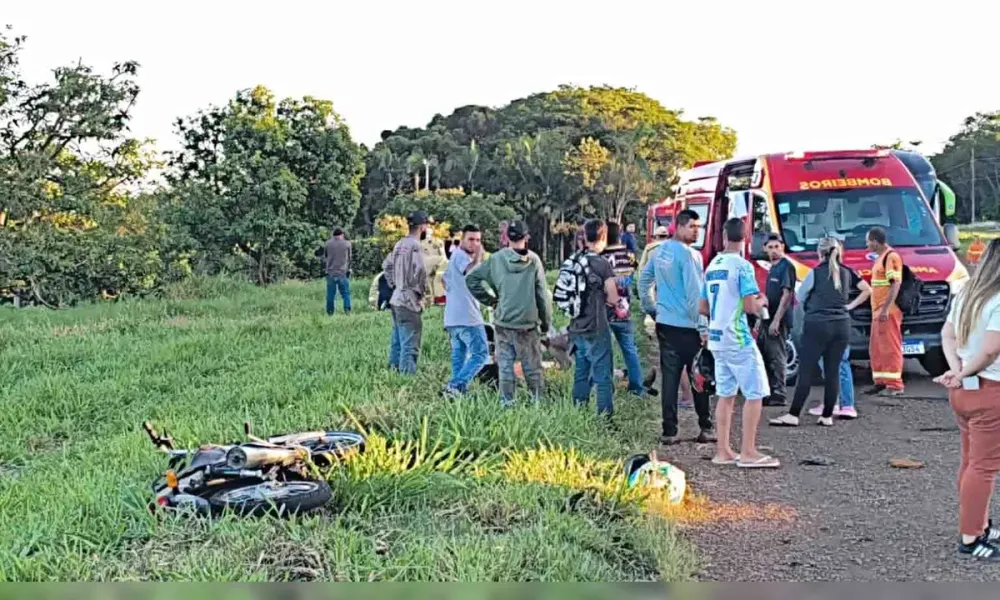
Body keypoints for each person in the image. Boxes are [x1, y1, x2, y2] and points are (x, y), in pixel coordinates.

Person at [935, 238, 1000, 560]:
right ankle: (972, 536)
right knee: (984, 467)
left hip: (964, 391)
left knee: (970, 461)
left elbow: (947, 335)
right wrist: (963, 371)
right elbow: (990, 350)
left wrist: (956, 370)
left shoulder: (966, 294)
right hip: (991, 389)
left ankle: (978, 523)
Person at [701, 218, 778, 468]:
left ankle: (723, 450)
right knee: (755, 392)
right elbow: (749, 305)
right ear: (746, 239)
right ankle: (748, 452)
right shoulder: (743, 267)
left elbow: (702, 306)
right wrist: (761, 302)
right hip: (738, 337)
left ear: (724, 237)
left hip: (717, 337)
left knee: (725, 394)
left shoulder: (712, 266)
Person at [771, 237, 871, 427]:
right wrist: (849, 306)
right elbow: (866, 290)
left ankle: (793, 414)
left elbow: (800, 295)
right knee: (833, 371)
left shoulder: (815, 273)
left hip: (817, 324)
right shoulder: (846, 272)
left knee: (806, 371)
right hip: (842, 324)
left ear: (820, 252)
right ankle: (827, 416)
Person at [639, 209, 714, 446]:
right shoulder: (690, 255)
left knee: (670, 379)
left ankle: (669, 431)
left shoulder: (660, 252)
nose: (696, 231)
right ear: (679, 227)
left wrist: (652, 308)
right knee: (698, 376)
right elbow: (694, 294)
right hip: (688, 326)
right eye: (692, 226)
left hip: (665, 324)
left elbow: (643, 281)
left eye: (698, 227)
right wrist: (703, 326)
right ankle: (706, 427)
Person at [466, 220, 551, 406]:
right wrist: (546, 323)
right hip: (527, 325)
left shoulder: (496, 259)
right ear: (526, 237)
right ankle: (538, 404)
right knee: (532, 368)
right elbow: (542, 296)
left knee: (505, 367)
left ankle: (507, 403)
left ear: (507, 238)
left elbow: (471, 279)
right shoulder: (534, 261)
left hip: (503, 323)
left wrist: (491, 301)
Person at [569, 219, 619, 417]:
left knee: (581, 372)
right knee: (602, 375)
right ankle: (605, 418)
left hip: (576, 325)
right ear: (603, 237)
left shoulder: (574, 261)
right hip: (596, 325)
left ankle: (578, 414)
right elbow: (613, 297)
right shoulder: (602, 264)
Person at [442, 224, 488, 396]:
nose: (474, 244)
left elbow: (444, 280)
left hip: (452, 318)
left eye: (478, 240)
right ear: (462, 240)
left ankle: (456, 392)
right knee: (481, 354)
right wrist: (479, 257)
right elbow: (470, 273)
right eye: (471, 239)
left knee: (459, 356)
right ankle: (455, 385)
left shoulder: (454, 257)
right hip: (468, 317)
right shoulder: (462, 256)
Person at [602, 221, 646, 397]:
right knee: (629, 349)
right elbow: (631, 275)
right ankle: (637, 387)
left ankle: (607, 388)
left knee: (605, 351)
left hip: (605, 311)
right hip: (624, 309)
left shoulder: (601, 257)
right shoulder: (629, 256)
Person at [383, 211, 430, 374]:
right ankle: (406, 377)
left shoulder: (399, 244)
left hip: (396, 298)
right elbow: (421, 271)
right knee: (410, 343)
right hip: (409, 300)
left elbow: (386, 265)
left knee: (398, 340)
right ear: (422, 227)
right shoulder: (416, 246)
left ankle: (393, 371)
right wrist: (420, 294)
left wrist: (394, 283)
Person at [866, 226, 906, 396]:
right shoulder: (882, 257)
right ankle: (881, 381)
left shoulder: (891, 257)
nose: (867, 245)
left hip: (887, 311)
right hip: (879, 311)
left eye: (868, 242)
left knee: (890, 347)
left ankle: (894, 385)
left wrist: (885, 309)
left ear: (875, 242)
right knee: (877, 348)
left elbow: (895, 284)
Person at [758, 234, 796, 407]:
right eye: (770, 247)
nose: (774, 250)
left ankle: (780, 394)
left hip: (778, 319)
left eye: (777, 246)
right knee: (765, 354)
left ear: (782, 247)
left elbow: (786, 295)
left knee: (777, 355)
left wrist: (776, 320)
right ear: (764, 248)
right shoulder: (772, 268)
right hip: (767, 317)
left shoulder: (786, 267)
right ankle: (769, 391)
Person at [323, 227, 352, 315]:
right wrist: (349, 269)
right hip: (342, 272)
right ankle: (347, 311)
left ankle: (330, 312)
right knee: (345, 293)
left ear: (333, 235)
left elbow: (326, 256)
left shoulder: (327, 244)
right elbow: (350, 258)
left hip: (330, 272)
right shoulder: (347, 244)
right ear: (342, 235)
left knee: (330, 295)